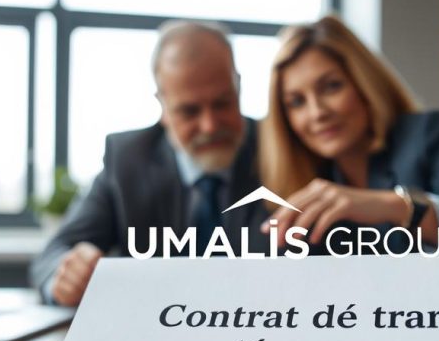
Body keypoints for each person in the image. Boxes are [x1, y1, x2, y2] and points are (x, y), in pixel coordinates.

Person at [31, 20, 269, 305]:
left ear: (238, 86)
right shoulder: (128, 159)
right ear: (163, 104)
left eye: (222, 103)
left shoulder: (280, 148)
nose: (209, 126)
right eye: (189, 111)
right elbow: (53, 256)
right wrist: (67, 276)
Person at [259, 15, 439, 252]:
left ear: (365, 83)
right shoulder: (296, 184)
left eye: (331, 87)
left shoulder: (423, 138)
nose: (317, 112)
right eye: (296, 102)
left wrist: (398, 206)